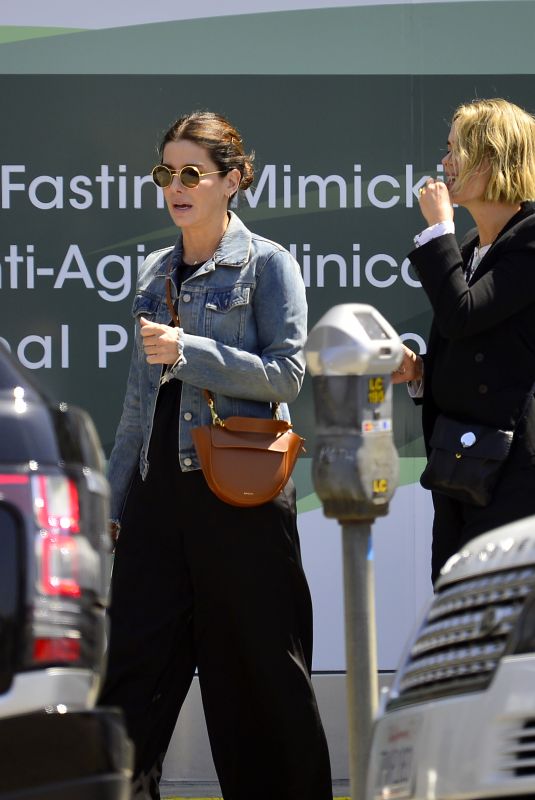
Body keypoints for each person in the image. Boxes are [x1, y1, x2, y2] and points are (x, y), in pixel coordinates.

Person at [98, 111, 333, 800]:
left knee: (257, 678)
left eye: (191, 173)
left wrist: (190, 351)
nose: (175, 185)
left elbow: (287, 374)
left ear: (232, 180)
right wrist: (117, 502)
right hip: (158, 502)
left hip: (239, 496)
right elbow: (139, 406)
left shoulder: (266, 264)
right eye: (165, 173)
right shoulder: (152, 273)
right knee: (131, 677)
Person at [393, 98, 535, 583]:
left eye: (458, 149)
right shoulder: (473, 249)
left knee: (497, 613)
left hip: (513, 472)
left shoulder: (530, 240)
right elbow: (483, 351)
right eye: (447, 149)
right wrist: (421, 370)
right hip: (459, 465)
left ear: (493, 158)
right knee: (452, 594)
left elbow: (463, 314)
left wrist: (438, 231)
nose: (445, 163)